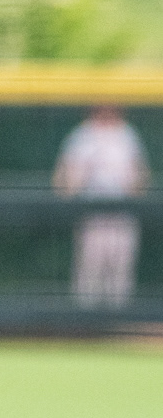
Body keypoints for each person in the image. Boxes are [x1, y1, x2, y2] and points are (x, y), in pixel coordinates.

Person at [54, 106, 150, 306]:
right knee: (90, 268)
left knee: (120, 270)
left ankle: (119, 318)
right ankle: (86, 318)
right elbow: (63, 179)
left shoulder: (127, 134)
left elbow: (141, 175)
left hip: (122, 212)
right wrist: (72, 193)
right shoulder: (83, 134)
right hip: (92, 213)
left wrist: (136, 192)